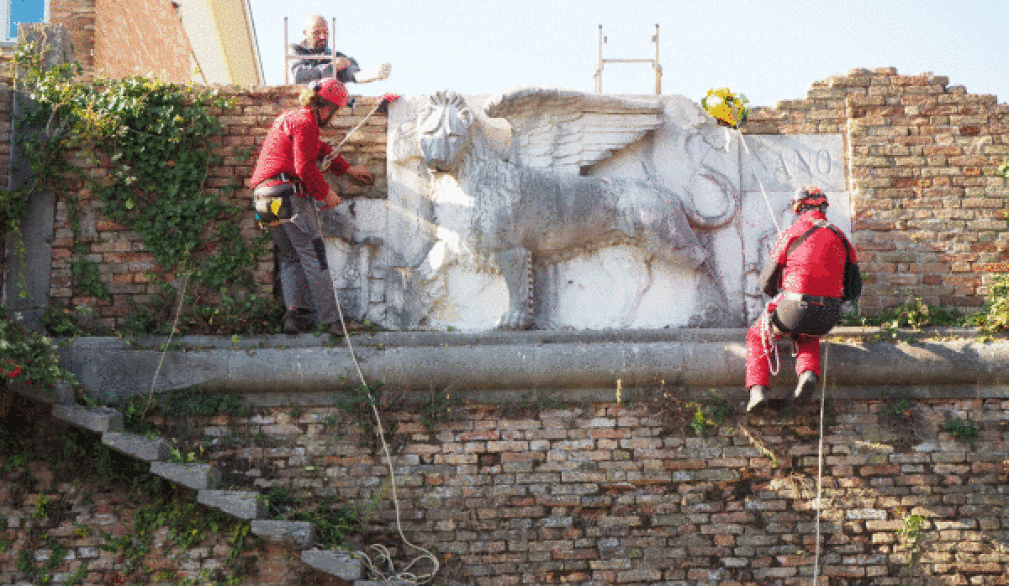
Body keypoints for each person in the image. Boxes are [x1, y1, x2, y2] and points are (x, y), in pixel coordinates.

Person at [250, 78, 372, 335]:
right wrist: (325, 193)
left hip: (264, 198)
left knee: (290, 255)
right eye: (336, 111)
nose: (334, 117)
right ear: (326, 107)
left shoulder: (290, 119)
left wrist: (347, 169)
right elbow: (304, 167)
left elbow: (320, 149)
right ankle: (333, 321)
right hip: (288, 193)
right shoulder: (306, 123)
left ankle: (295, 316)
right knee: (314, 256)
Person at [745, 187, 857, 412]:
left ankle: (758, 390)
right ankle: (807, 374)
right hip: (828, 316)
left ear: (800, 208)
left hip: (795, 308)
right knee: (808, 332)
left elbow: (766, 282)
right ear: (823, 207)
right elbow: (854, 289)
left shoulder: (794, 232)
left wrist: (781, 288)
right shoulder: (841, 237)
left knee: (757, 335)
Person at [290, 15, 390, 85]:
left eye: (325, 33)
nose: (322, 37)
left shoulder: (334, 56)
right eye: (316, 33)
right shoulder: (296, 51)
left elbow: (352, 73)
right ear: (305, 33)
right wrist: (331, 68)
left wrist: (373, 74)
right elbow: (298, 74)